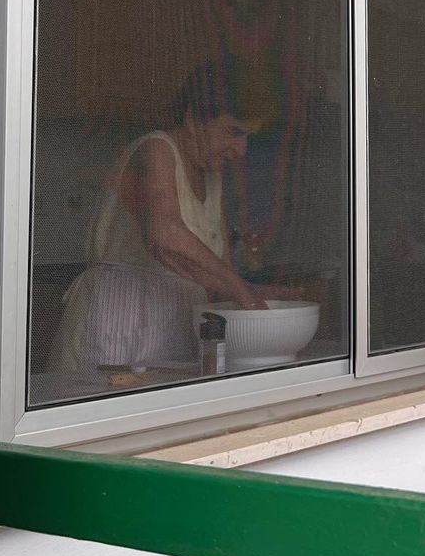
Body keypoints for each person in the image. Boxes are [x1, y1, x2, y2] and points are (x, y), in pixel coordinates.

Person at [49, 54, 297, 374]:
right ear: (193, 118)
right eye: (233, 131)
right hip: (122, 317)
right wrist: (241, 289)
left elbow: (214, 271)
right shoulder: (156, 149)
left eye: (248, 136)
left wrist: (255, 293)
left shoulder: (212, 178)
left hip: (178, 321)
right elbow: (164, 233)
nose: (241, 150)